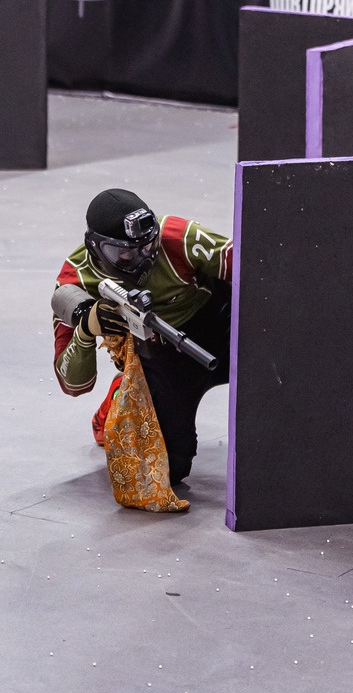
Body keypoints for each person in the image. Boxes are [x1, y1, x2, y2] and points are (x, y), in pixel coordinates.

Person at [52, 187, 233, 485]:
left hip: (221, 324)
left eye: (148, 246)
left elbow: (256, 272)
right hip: (160, 356)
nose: (140, 259)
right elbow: (72, 383)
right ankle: (123, 394)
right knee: (168, 469)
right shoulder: (76, 279)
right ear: (95, 247)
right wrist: (86, 328)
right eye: (123, 252)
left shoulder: (180, 236)